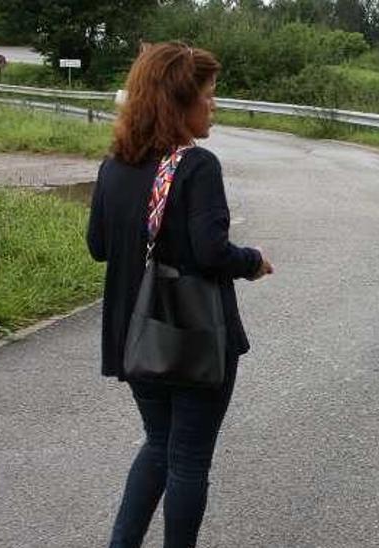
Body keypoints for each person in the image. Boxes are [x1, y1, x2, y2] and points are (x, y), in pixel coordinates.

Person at [86, 42, 273, 548]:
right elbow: (209, 253)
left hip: (135, 336)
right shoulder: (196, 166)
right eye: (208, 95)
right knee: (188, 460)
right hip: (194, 338)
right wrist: (252, 261)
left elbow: (99, 247)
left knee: (159, 443)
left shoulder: (114, 166)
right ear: (178, 101)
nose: (214, 105)